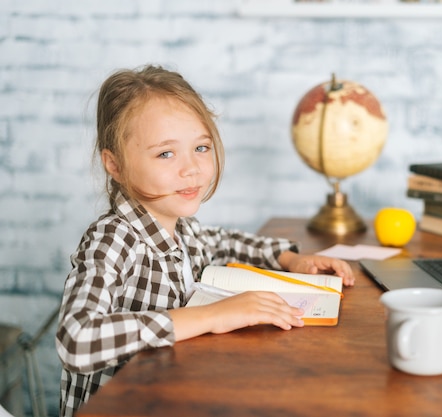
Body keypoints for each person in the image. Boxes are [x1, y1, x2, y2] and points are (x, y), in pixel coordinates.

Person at [55, 64, 355, 417]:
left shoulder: (182, 229)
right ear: (115, 164)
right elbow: (77, 339)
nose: (191, 169)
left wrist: (290, 260)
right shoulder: (112, 238)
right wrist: (212, 316)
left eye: (201, 147)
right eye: (166, 153)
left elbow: (223, 241)